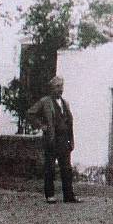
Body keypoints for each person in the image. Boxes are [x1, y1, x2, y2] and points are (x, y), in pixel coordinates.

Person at [27, 76, 79, 204]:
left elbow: (69, 122)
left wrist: (71, 140)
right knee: (49, 168)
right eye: (57, 86)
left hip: (64, 140)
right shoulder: (45, 101)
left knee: (66, 169)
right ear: (52, 88)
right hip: (52, 139)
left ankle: (69, 196)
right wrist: (42, 126)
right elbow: (30, 113)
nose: (60, 89)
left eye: (61, 86)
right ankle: (50, 195)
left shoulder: (65, 103)